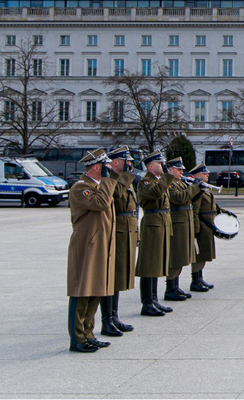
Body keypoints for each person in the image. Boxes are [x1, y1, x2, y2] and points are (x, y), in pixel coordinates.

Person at [66, 148, 116, 352]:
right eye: (107, 166)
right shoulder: (81, 187)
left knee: (95, 291)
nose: (110, 169)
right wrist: (106, 180)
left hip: (99, 244)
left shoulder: (98, 186)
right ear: (97, 167)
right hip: (86, 245)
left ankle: (88, 333)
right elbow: (101, 204)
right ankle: (77, 339)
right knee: (82, 291)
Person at [100, 146, 138, 337]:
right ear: (115, 163)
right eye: (126, 161)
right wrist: (127, 176)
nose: (130, 165)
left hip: (127, 229)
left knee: (119, 276)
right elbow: (118, 195)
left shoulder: (123, 179)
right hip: (116, 231)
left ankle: (114, 317)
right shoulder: (110, 180)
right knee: (111, 276)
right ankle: (107, 321)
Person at [135, 150, 174, 316]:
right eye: (159, 163)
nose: (162, 166)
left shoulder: (158, 180)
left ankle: (154, 299)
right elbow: (155, 194)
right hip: (152, 225)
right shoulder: (145, 182)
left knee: (157, 263)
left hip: (161, 224)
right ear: (150, 167)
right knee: (149, 264)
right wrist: (166, 177)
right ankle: (147, 302)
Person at [165, 158, 196, 302]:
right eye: (179, 169)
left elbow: (191, 199)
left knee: (183, 256)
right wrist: (194, 187)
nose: (182, 172)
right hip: (177, 223)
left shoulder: (181, 182)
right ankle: (170, 288)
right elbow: (179, 198)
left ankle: (175, 286)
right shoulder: (170, 183)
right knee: (176, 256)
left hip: (185, 222)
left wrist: (198, 189)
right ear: (170, 169)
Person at [188, 163, 219, 290]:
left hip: (208, 224)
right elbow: (195, 210)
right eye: (204, 173)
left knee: (205, 253)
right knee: (200, 254)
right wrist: (196, 229)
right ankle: (195, 281)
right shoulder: (197, 189)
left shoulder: (205, 188)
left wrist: (222, 211)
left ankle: (200, 278)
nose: (207, 175)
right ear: (197, 176)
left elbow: (212, 206)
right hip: (202, 224)